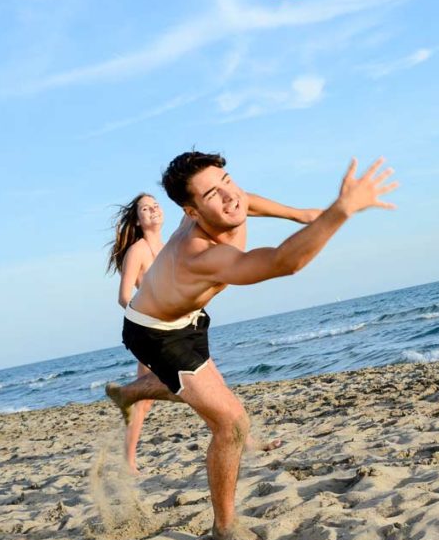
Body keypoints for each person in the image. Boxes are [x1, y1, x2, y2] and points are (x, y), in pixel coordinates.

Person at [105, 151, 397, 540]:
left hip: (188, 318)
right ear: (191, 211)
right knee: (232, 423)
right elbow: (283, 262)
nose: (230, 196)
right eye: (212, 194)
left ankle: (128, 393)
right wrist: (340, 210)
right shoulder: (201, 255)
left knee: (205, 394)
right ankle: (224, 526)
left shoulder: (226, 202)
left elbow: (246, 200)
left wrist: (300, 215)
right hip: (155, 333)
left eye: (227, 180)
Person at [106, 192, 319, 474]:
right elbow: (124, 297)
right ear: (137, 218)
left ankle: (246, 439)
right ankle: (129, 461)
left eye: (156, 205)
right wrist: (158, 314)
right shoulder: (139, 250)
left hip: (186, 326)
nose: (154, 210)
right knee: (152, 400)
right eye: (146, 208)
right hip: (157, 330)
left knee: (212, 387)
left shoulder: (171, 242)